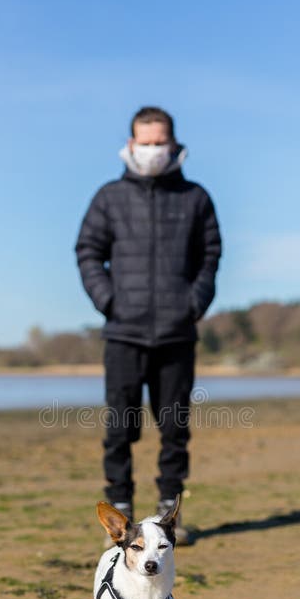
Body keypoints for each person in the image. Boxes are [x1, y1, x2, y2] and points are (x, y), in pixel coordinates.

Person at [76, 106, 221, 544]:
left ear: (174, 144)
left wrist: (193, 303)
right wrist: (108, 301)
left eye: (161, 142)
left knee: (174, 426)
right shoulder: (109, 197)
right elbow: (87, 252)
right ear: (131, 144)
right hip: (124, 331)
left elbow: (210, 256)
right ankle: (118, 518)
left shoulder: (195, 198)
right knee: (119, 427)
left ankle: (167, 518)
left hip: (177, 332)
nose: (154, 150)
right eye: (146, 142)